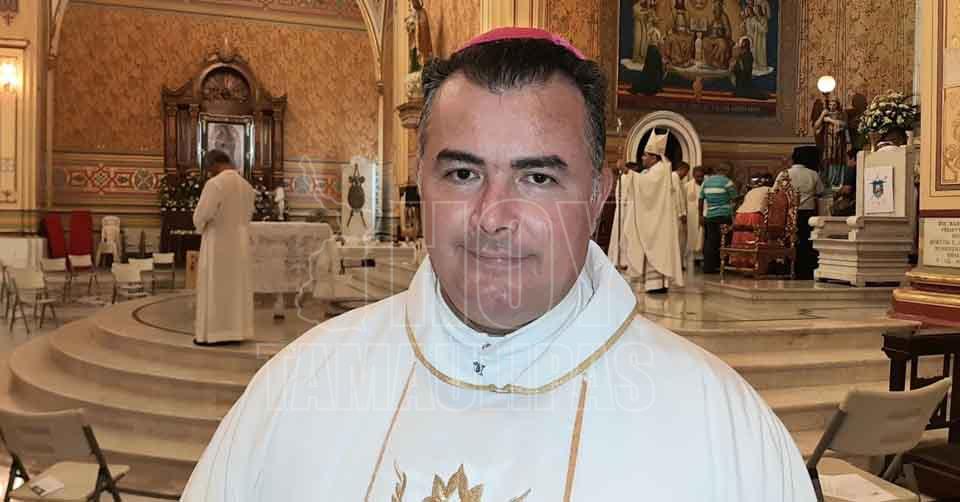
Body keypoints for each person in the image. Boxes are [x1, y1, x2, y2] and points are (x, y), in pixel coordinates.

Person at [182, 28, 814, 501]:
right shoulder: (296, 390)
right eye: (463, 173)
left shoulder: (720, 428)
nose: (492, 216)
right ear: (421, 185)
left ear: (598, 195)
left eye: (538, 177)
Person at [192, 150, 256, 345]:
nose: (208, 172)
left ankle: (214, 334)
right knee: (237, 287)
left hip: (217, 243)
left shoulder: (215, 184)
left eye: (208, 168)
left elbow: (202, 215)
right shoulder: (246, 186)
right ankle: (236, 332)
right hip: (240, 244)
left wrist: (199, 225)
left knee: (215, 286)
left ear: (213, 164)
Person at [609, 130, 684, 293]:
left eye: (645, 155)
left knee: (656, 248)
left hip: (659, 220)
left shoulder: (661, 169)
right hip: (655, 217)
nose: (642, 158)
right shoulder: (656, 170)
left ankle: (657, 284)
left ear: (654, 157)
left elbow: (647, 185)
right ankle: (655, 283)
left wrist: (626, 170)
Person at [776, 145, 824, 279]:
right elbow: (821, 191)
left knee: (789, 241)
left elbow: (775, 192)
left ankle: (788, 269)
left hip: (788, 212)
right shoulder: (813, 174)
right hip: (808, 213)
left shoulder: (784, 174)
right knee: (806, 242)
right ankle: (806, 270)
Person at [699, 162, 738, 273]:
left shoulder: (706, 182)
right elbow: (735, 198)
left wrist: (700, 215)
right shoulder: (727, 182)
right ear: (726, 171)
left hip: (710, 215)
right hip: (724, 216)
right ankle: (722, 266)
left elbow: (700, 199)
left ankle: (708, 267)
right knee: (725, 241)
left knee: (710, 241)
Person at [729, 174, 773, 269]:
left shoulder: (752, 191)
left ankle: (741, 263)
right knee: (752, 240)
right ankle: (753, 264)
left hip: (740, 215)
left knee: (741, 240)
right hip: (754, 214)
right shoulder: (771, 190)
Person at [685, 165, 705, 268]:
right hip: (691, 215)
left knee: (702, 235)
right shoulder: (687, 186)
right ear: (693, 175)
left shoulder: (707, 185)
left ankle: (701, 257)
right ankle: (693, 257)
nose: (699, 179)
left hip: (704, 213)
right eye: (697, 176)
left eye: (701, 176)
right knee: (692, 235)